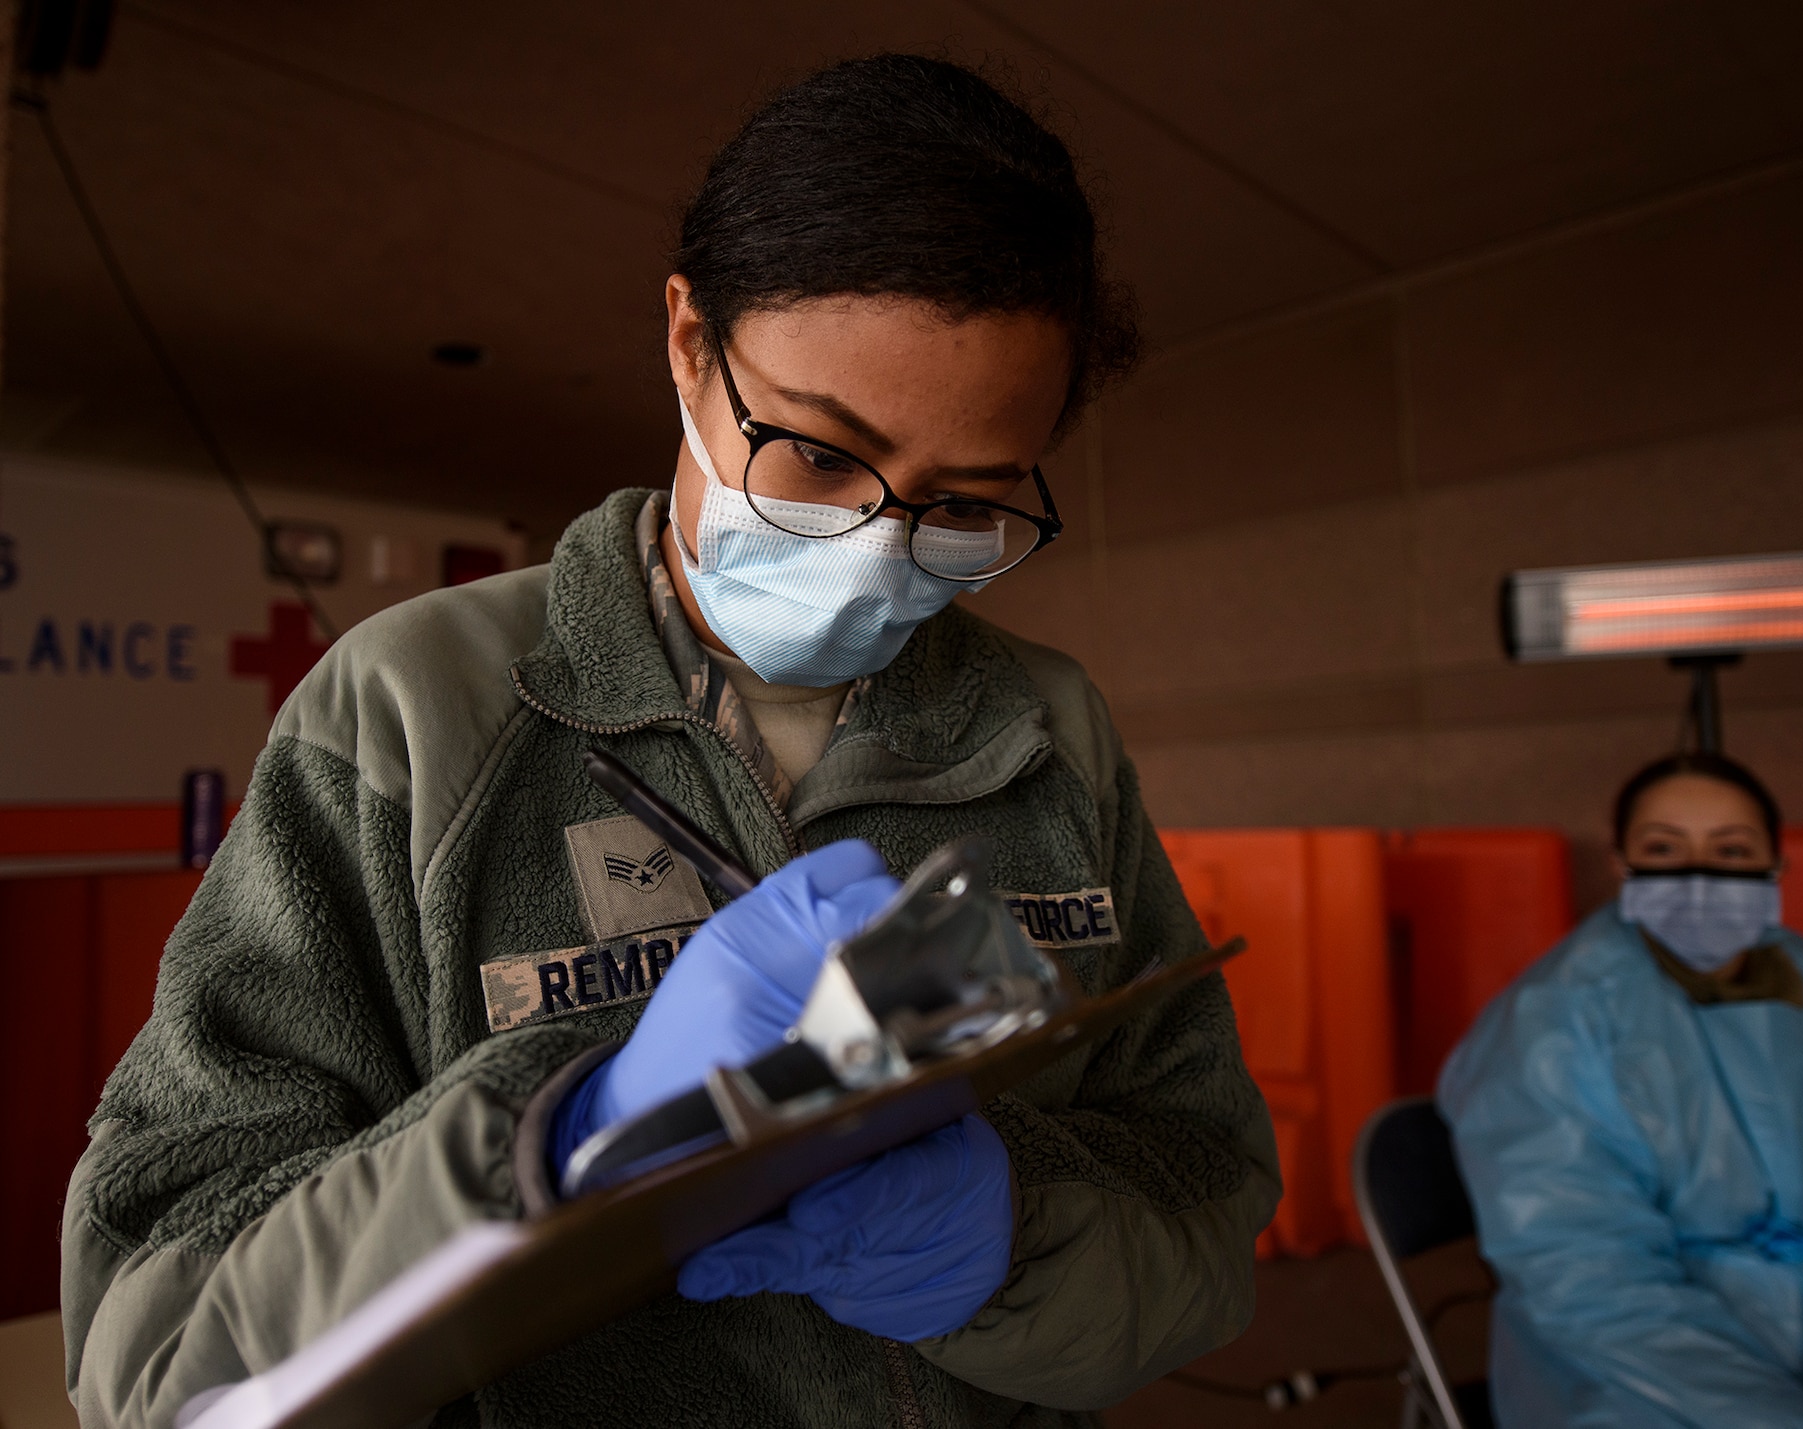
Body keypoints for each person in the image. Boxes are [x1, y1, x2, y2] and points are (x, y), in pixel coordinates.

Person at [61, 56, 1279, 1429]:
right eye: (819, 456)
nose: (881, 556)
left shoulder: (1044, 733)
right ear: (691, 343)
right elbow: (157, 1358)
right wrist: (555, 1144)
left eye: (964, 504)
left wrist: (1005, 1242)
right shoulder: (412, 717)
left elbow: (1204, 1210)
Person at [1439, 751, 1803, 1428]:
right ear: (1620, 865)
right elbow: (1582, 1270)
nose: (1698, 875)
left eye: (1731, 849)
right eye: (1663, 848)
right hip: (1637, 1378)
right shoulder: (1549, 1025)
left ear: (1776, 865)